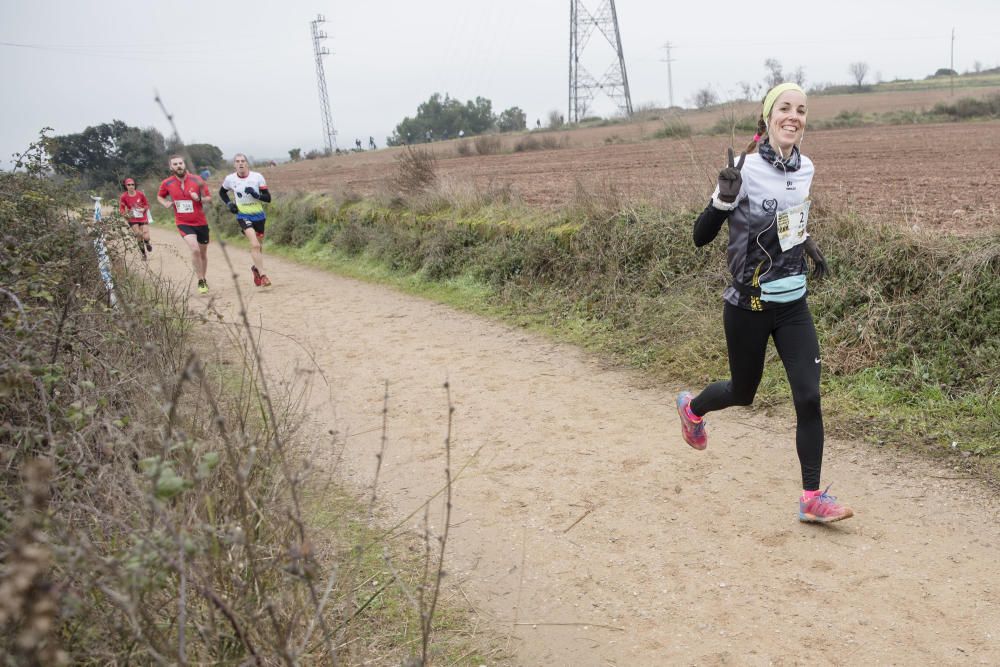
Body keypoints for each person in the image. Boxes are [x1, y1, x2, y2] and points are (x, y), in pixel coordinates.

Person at [675, 82, 853, 524]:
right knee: (743, 391)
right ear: (769, 116)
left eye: (802, 110)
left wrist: (808, 245)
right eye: (785, 109)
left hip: (793, 303)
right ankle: (692, 409)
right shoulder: (746, 169)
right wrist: (722, 200)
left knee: (809, 398)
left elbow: (790, 221)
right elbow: (700, 238)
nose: (794, 116)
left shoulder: (806, 167)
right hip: (748, 305)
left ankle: (811, 497)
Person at [157, 155, 212, 294]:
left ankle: (203, 278)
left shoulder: (197, 180)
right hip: (183, 222)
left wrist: (199, 198)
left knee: (203, 253)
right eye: (175, 164)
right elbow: (160, 196)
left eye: (180, 163)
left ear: (184, 164)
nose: (178, 166)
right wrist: (166, 203)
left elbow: (208, 198)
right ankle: (200, 280)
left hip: (200, 222)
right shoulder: (167, 183)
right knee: (194, 249)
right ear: (171, 167)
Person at [218, 153, 272, 287]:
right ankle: (263, 275)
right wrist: (229, 204)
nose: (240, 163)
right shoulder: (230, 179)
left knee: (259, 247)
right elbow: (222, 192)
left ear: (247, 163)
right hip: (243, 216)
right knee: (254, 245)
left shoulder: (257, 177)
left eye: (243, 161)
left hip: (259, 216)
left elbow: (268, 198)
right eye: (237, 161)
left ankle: (255, 268)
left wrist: (255, 194)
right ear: (234, 165)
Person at [118, 177, 152, 259]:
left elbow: (147, 204)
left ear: (135, 185)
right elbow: (122, 208)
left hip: (142, 217)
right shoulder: (123, 196)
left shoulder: (140, 194)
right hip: (132, 218)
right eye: (129, 185)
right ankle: (144, 254)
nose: (131, 186)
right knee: (138, 235)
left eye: (132, 184)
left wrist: (144, 209)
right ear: (126, 186)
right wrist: (124, 214)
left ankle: (147, 242)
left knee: (146, 236)